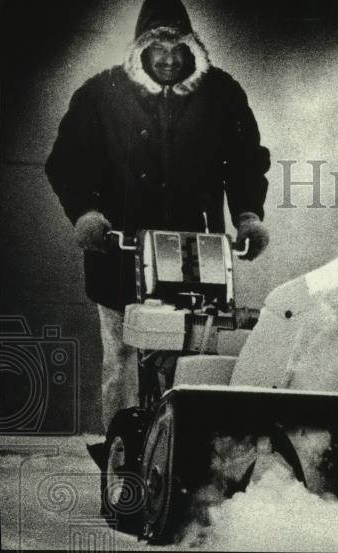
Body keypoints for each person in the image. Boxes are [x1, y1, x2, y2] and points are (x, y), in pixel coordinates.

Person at [45, 0, 271, 458]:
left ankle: (189, 449)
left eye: (177, 46)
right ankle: (121, 452)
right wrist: (87, 213)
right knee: (123, 357)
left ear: (192, 47)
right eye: (157, 47)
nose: (168, 57)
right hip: (119, 252)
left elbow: (245, 160)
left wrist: (247, 214)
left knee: (195, 352)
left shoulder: (221, 92)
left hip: (196, 254)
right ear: (140, 49)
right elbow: (68, 161)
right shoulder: (100, 93)